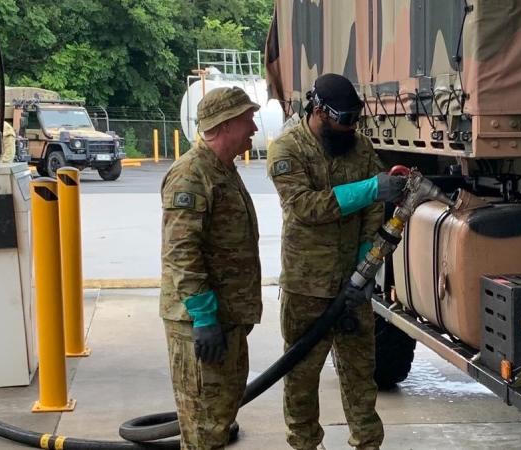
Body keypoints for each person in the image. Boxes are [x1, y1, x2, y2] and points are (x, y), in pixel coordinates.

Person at [267, 73, 406, 450]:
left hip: (353, 284)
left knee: (361, 376)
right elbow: (305, 208)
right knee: (301, 378)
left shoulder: (358, 147)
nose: (351, 128)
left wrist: (365, 267)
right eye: (344, 120)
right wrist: (371, 187)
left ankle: (367, 443)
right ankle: (304, 444)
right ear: (319, 112)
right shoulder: (287, 150)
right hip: (306, 288)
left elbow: (374, 214)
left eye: (354, 120)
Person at [160, 86, 262, 449]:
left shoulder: (222, 169)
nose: (253, 126)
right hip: (199, 325)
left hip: (226, 320)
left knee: (219, 420)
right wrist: (204, 317)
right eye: (247, 118)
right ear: (225, 124)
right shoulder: (191, 174)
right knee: (204, 429)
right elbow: (181, 252)